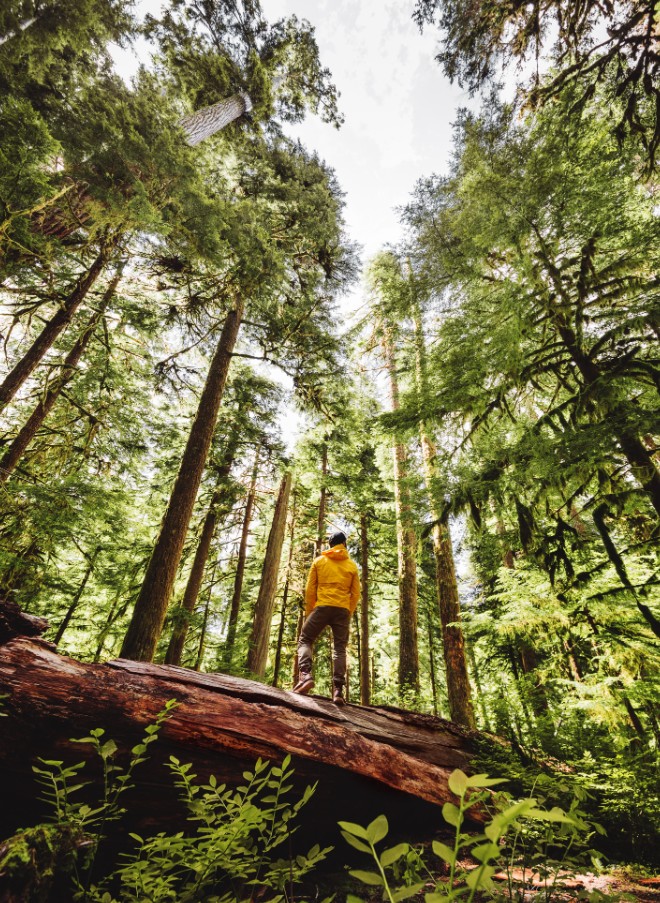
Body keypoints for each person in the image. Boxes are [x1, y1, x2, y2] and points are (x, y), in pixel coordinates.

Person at [293, 530, 360, 705]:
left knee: (305, 639)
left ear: (330, 546)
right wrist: (348, 611)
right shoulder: (352, 566)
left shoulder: (319, 561)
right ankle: (338, 691)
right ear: (344, 544)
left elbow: (310, 590)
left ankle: (305, 675)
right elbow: (355, 594)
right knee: (340, 649)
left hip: (322, 607)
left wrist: (310, 612)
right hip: (342, 610)